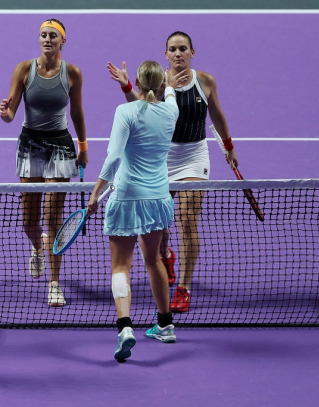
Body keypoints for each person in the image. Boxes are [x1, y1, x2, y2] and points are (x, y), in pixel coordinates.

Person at [106, 31, 239, 313]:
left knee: (187, 219)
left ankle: (184, 288)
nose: (178, 54)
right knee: (160, 225)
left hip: (194, 156)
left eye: (183, 49)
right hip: (162, 158)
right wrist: (126, 85)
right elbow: (141, 107)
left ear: (192, 52)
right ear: (165, 55)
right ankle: (166, 254)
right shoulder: (158, 81)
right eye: (172, 50)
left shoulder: (206, 82)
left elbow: (216, 114)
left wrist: (228, 146)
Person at [88, 61, 188, 360]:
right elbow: (169, 93)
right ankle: (165, 324)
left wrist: (95, 193)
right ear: (158, 84)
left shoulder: (125, 111)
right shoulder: (172, 111)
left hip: (127, 196)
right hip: (158, 198)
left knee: (121, 267)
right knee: (154, 259)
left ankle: (124, 328)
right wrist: (169, 82)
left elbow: (114, 155)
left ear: (137, 82)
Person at [0, 19, 89, 306]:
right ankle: (37, 247)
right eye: (43, 35)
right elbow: (11, 112)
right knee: (29, 221)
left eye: (53, 36)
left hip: (60, 146)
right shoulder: (24, 70)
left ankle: (54, 283)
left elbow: (77, 112)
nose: (47, 39)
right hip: (30, 144)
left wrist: (83, 145)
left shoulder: (72, 73)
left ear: (63, 41)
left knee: (53, 219)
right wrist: (5, 113)